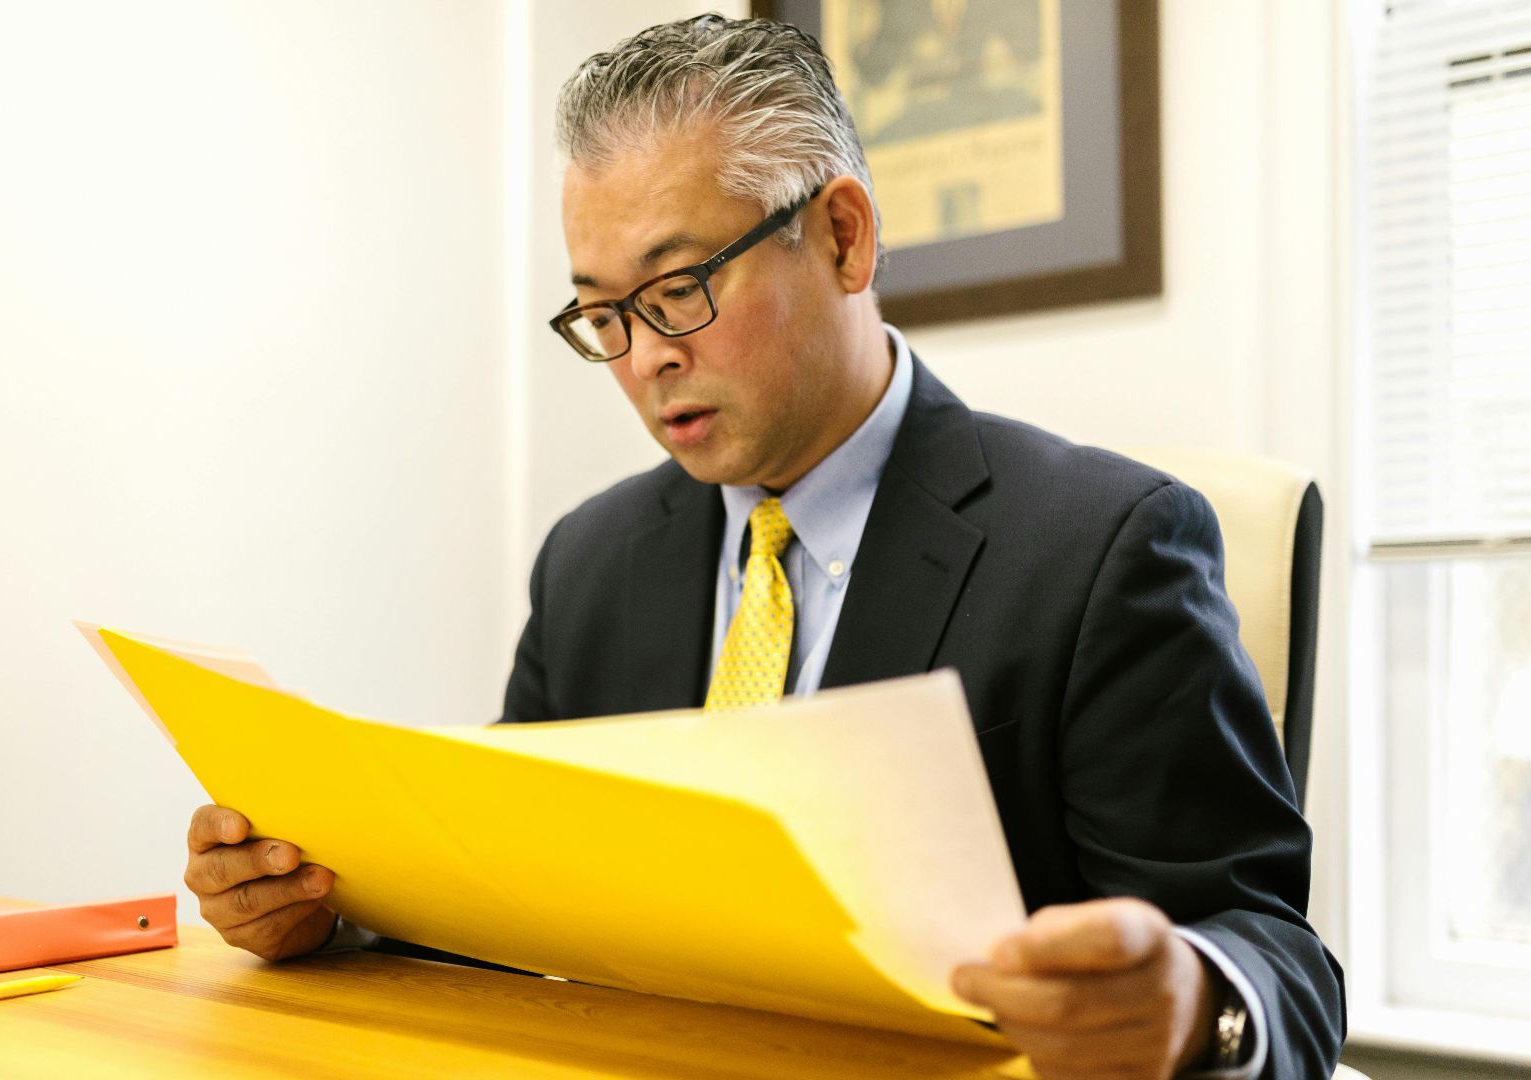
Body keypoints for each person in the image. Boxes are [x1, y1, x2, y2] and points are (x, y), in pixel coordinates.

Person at [181, 15, 1344, 1079]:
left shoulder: (1102, 547)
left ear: (842, 237)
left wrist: (1197, 1002)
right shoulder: (591, 565)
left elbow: (1280, 962)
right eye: (601, 314)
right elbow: (509, 897)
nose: (643, 359)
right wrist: (329, 908)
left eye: (679, 289)